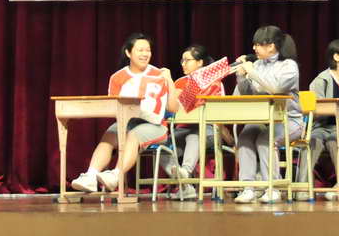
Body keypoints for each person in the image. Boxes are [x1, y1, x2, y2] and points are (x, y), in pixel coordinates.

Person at [70, 33, 178, 192]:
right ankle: (90, 176)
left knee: (133, 135)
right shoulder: (117, 77)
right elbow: (113, 108)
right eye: (140, 50)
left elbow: (173, 109)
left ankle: (115, 175)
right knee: (109, 135)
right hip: (127, 122)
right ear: (128, 53)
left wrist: (169, 81)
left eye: (148, 50)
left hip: (155, 126)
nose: (145, 54)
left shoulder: (159, 74)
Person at [233, 25, 303, 204]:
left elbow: (275, 89)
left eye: (258, 44)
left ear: (271, 46)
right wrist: (241, 76)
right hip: (262, 119)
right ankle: (248, 188)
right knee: (245, 138)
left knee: (265, 140)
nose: (254, 48)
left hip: (289, 121)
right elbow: (247, 94)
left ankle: (272, 188)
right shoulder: (257, 65)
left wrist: (252, 72)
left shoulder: (289, 66)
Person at [295, 39, 339, 202]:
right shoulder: (320, 80)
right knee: (313, 140)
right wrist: (337, 103)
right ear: (336, 57)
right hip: (321, 127)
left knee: (336, 139)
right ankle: (302, 186)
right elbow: (314, 110)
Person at [158, 44, 226, 200]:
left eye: (187, 60)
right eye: (182, 61)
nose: (183, 64)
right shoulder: (180, 82)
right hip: (183, 129)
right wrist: (169, 82)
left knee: (194, 135)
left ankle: (186, 171)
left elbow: (219, 111)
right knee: (162, 146)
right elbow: (172, 108)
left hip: (208, 130)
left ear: (200, 62)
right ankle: (186, 186)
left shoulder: (214, 82)